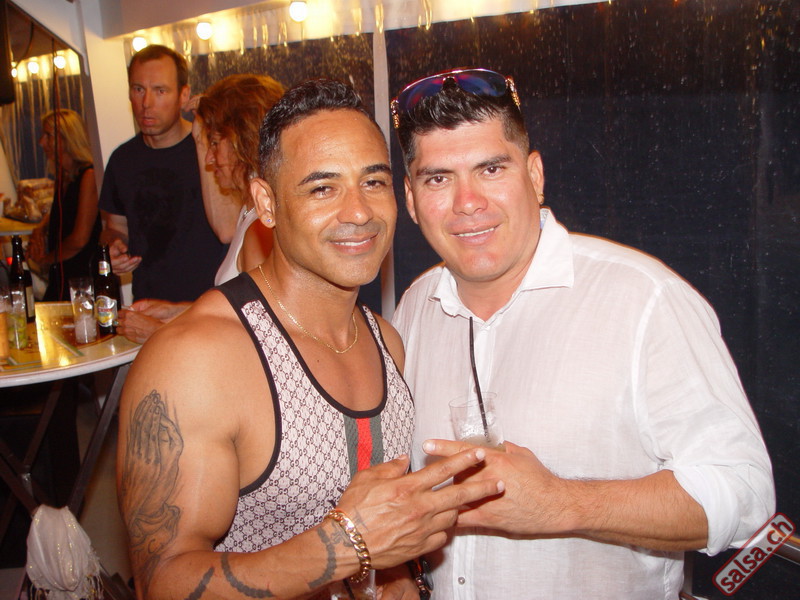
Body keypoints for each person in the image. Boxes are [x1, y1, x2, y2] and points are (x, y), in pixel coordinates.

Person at [390, 68, 775, 599]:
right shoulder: (415, 307)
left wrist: (561, 502)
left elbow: (746, 493)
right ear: (411, 200)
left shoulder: (644, 300)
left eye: (491, 169)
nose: (467, 202)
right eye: (438, 179)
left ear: (535, 175)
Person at [117, 79, 501, 600]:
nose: (359, 212)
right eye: (322, 188)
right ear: (266, 203)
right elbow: (161, 581)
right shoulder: (197, 359)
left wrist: (400, 576)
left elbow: (385, 526)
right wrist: (346, 543)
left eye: (373, 182)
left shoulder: (385, 340)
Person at [117, 74, 283, 343]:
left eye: (214, 143)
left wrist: (159, 333)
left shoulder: (261, 228)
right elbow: (236, 312)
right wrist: (178, 312)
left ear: (243, 140)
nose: (208, 158)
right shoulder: (249, 210)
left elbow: (264, 341)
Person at [98, 44, 226, 305]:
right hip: (147, 305)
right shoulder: (122, 159)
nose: (146, 103)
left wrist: (204, 138)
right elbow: (114, 227)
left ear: (184, 94)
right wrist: (114, 247)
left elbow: (231, 228)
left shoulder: (213, 152)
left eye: (160, 91)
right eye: (138, 89)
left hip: (209, 308)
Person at [28, 109, 100, 301]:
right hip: (63, 273)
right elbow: (62, 212)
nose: (42, 142)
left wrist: (45, 260)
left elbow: (80, 239)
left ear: (67, 139)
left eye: (48, 136)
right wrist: (41, 228)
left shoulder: (89, 176)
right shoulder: (64, 177)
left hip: (83, 278)